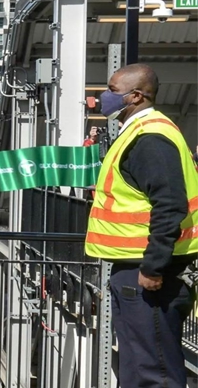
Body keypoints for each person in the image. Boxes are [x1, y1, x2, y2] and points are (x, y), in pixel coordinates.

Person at [84, 63, 198, 388]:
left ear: (135, 96)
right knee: (135, 370)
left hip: (149, 276)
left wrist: (153, 267)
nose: (103, 97)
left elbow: (170, 205)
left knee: (153, 374)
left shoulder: (150, 138)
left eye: (112, 90)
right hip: (137, 272)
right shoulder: (137, 133)